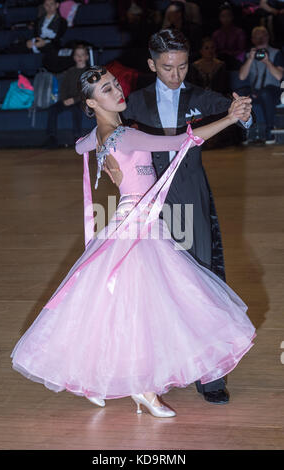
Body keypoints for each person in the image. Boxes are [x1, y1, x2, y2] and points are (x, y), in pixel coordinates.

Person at [10, 66, 256, 418]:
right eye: (107, 90)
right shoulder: (123, 136)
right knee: (143, 305)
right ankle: (142, 389)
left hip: (129, 219)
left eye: (114, 84)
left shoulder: (100, 134)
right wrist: (230, 119)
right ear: (91, 103)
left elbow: (81, 145)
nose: (117, 91)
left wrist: (100, 149)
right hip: (138, 226)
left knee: (115, 305)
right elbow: (181, 142)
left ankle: (101, 381)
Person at [122, 29, 253, 404]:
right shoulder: (133, 102)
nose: (176, 75)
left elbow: (241, 117)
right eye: (167, 68)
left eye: (181, 66)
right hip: (148, 199)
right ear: (151, 65)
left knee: (202, 280)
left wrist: (242, 113)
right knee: (154, 284)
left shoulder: (202, 97)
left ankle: (211, 376)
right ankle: (157, 370)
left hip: (190, 197)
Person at [239, 26, 284, 143]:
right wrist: (250, 59)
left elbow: (280, 76)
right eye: (256, 36)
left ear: (267, 37)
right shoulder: (249, 54)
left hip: (273, 91)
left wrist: (267, 62)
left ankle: (269, 130)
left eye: (262, 35)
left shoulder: (276, 53)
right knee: (239, 94)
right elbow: (242, 77)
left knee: (265, 93)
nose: (260, 39)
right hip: (255, 90)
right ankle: (242, 132)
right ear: (252, 39)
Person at [43, 44, 89, 149]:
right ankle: (51, 137)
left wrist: (75, 99)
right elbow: (63, 87)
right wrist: (64, 100)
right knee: (53, 109)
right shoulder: (70, 71)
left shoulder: (88, 72)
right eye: (77, 55)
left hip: (81, 100)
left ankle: (77, 137)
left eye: (82, 55)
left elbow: (87, 91)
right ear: (74, 57)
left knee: (77, 110)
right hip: (68, 99)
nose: (80, 57)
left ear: (87, 57)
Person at [212, 3, 246, 70]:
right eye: (223, 16)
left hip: (235, 61)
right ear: (219, 18)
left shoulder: (239, 32)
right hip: (219, 61)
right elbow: (214, 51)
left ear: (232, 17)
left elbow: (242, 50)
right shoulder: (216, 34)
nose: (226, 19)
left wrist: (230, 54)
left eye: (228, 16)